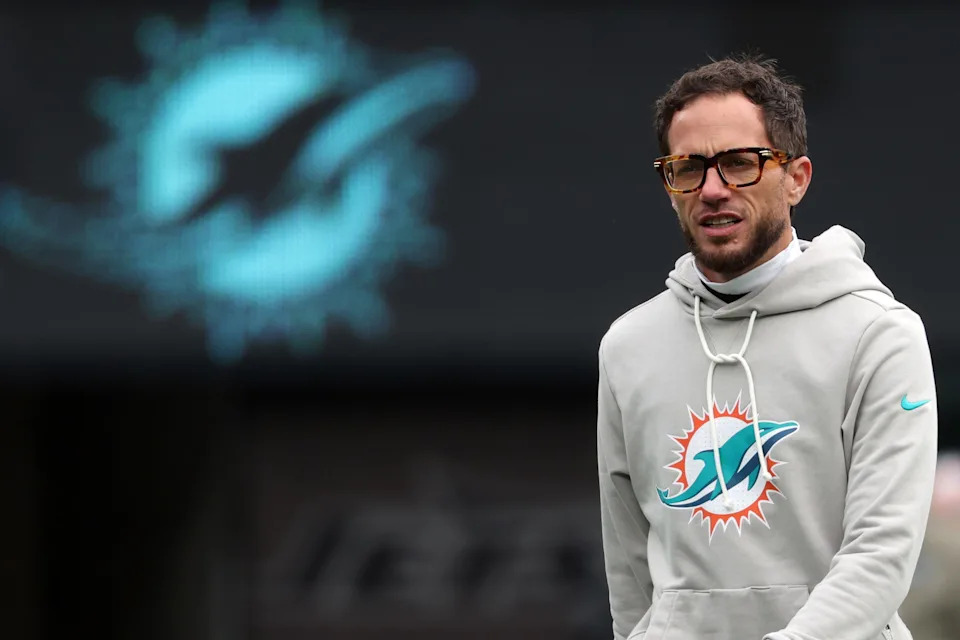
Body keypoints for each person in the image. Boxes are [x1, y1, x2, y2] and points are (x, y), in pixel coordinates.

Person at [596, 54, 938, 640]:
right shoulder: (628, 344)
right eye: (688, 168)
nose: (712, 189)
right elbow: (629, 565)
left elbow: (882, 553)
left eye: (738, 163)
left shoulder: (880, 333)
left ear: (797, 177)